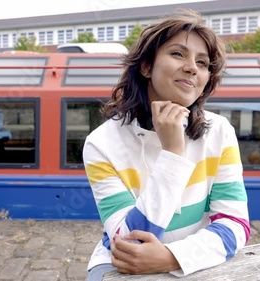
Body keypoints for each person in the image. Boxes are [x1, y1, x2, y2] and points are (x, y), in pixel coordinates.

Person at [83, 8, 250, 280]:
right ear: (147, 66)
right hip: (120, 266)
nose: (192, 68)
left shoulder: (220, 132)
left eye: (203, 63)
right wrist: (173, 153)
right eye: (178, 54)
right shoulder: (101, 144)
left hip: (195, 260)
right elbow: (127, 244)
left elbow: (236, 223)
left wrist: (172, 257)